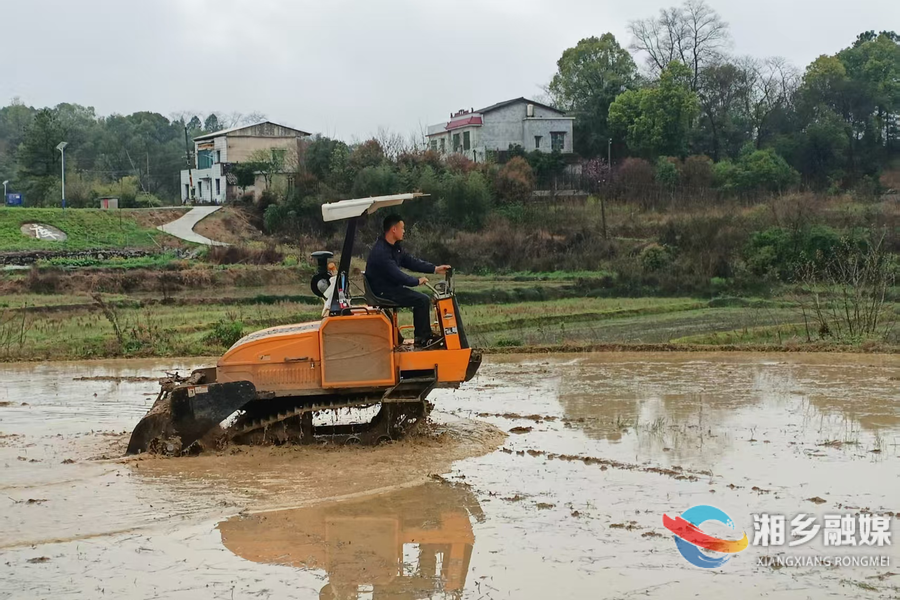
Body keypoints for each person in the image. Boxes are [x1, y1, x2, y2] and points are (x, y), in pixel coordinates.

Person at [365, 214, 450, 348]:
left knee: (421, 299)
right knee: (421, 300)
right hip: (383, 291)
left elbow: (410, 261)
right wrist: (416, 281)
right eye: (402, 228)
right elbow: (396, 275)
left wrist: (435, 269)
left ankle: (423, 336)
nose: (404, 231)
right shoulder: (381, 252)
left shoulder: (394, 247)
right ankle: (423, 339)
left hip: (390, 288)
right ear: (394, 229)